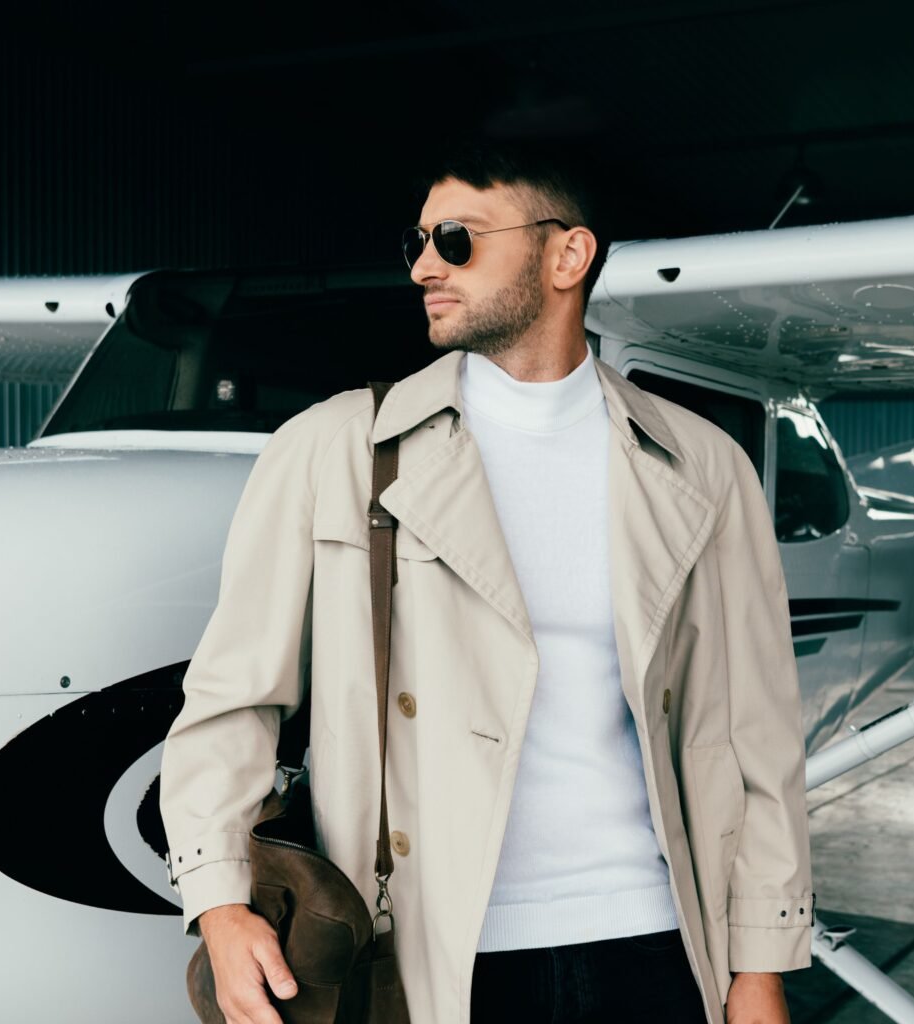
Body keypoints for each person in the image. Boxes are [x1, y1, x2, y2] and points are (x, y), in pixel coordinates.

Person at [160, 142, 813, 1024]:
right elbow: (233, 696)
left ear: (566, 255)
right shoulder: (333, 449)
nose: (426, 266)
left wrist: (758, 966)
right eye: (419, 242)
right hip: (432, 952)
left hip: (652, 943)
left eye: (458, 239)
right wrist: (220, 902)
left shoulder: (701, 466)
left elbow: (754, 736)